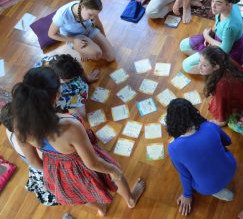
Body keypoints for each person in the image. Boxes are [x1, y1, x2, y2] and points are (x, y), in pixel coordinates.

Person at [11, 67, 145, 216]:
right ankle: (130, 200)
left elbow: (35, 163)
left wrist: (58, 167)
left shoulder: (18, 124)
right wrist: (114, 171)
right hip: (82, 161)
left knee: (78, 192)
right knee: (112, 174)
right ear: (55, 96)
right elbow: (92, 163)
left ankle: (101, 208)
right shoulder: (69, 126)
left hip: (56, 169)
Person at [166, 98, 236, 216]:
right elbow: (228, 141)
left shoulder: (173, 148)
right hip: (231, 166)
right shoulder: (210, 126)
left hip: (207, 187)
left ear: (171, 122)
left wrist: (187, 195)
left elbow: (185, 175)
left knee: (180, 164)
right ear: (193, 112)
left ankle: (217, 191)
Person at [180, 0, 243, 74]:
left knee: (186, 66)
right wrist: (211, 34)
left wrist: (207, 37)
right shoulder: (223, 9)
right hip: (217, 39)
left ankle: (217, 68)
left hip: (226, 50)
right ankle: (205, 59)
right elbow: (218, 22)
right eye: (212, 0)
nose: (213, 6)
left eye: (218, 3)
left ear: (229, 5)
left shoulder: (230, 26)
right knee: (183, 45)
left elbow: (224, 50)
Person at [0, 102, 58, 206]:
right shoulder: (30, 142)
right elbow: (40, 164)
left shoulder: (11, 131)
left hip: (37, 162)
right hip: (45, 167)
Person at [48, 0, 115, 62]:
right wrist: (73, 40)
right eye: (90, 15)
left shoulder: (91, 10)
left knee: (111, 57)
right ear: (82, 7)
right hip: (75, 37)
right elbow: (51, 34)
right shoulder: (62, 15)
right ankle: (82, 51)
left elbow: (97, 22)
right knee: (97, 53)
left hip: (89, 30)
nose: (93, 17)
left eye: (95, 15)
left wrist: (103, 36)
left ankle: (89, 47)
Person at [34, 54, 99, 117]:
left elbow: (80, 69)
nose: (72, 80)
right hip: (56, 95)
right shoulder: (44, 77)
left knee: (81, 115)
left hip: (70, 92)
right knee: (78, 116)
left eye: (72, 78)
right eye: (69, 79)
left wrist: (87, 79)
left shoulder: (71, 65)